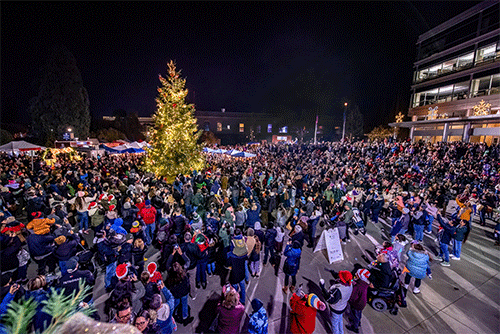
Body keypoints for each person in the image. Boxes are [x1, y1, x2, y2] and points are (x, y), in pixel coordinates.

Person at [166, 262, 194, 326]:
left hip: (176, 294)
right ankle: (185, 317)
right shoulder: (184, 276)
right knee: (184, 304)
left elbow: (169, 286)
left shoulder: (171, 277)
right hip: (184, 293)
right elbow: (187, 284)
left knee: (176, 303)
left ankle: (173, 314)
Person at [345, 269, 371, 334]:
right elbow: (354, 281)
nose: (355, 274)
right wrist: (351, 280)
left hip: (357, 304)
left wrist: (348, 300)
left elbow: (353, 297)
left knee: (355, 314)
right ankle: (358, 322)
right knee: (358, 314)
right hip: (362, 304)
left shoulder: (358, 286)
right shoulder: (364, 283)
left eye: (357, 274)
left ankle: (355, 327)